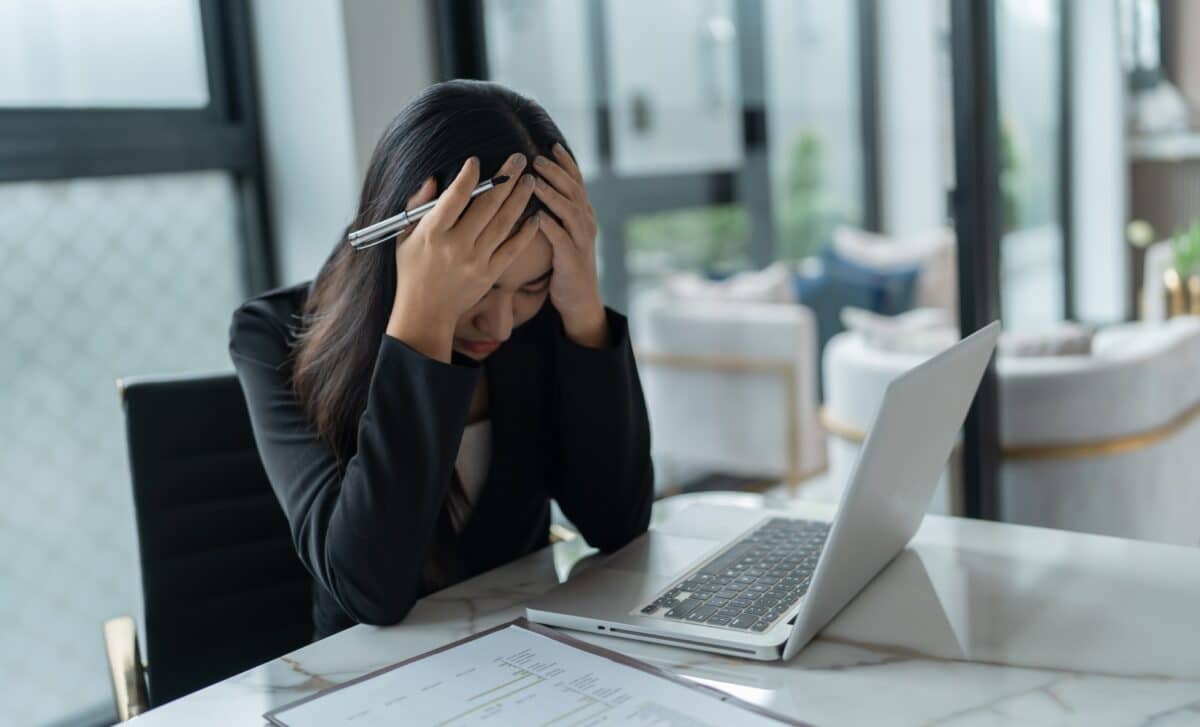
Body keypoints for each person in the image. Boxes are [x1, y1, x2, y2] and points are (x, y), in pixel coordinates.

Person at [229, 80, 654, 639]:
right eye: (482, 286)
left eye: (532, 286)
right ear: (406, 247)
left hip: (531, 655)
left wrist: (581, 307)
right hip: (367, 684)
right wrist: (421, 318)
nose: (501, 324)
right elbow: (369, 590)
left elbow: (616, 524)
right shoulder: (271, 336)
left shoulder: (547, 317)